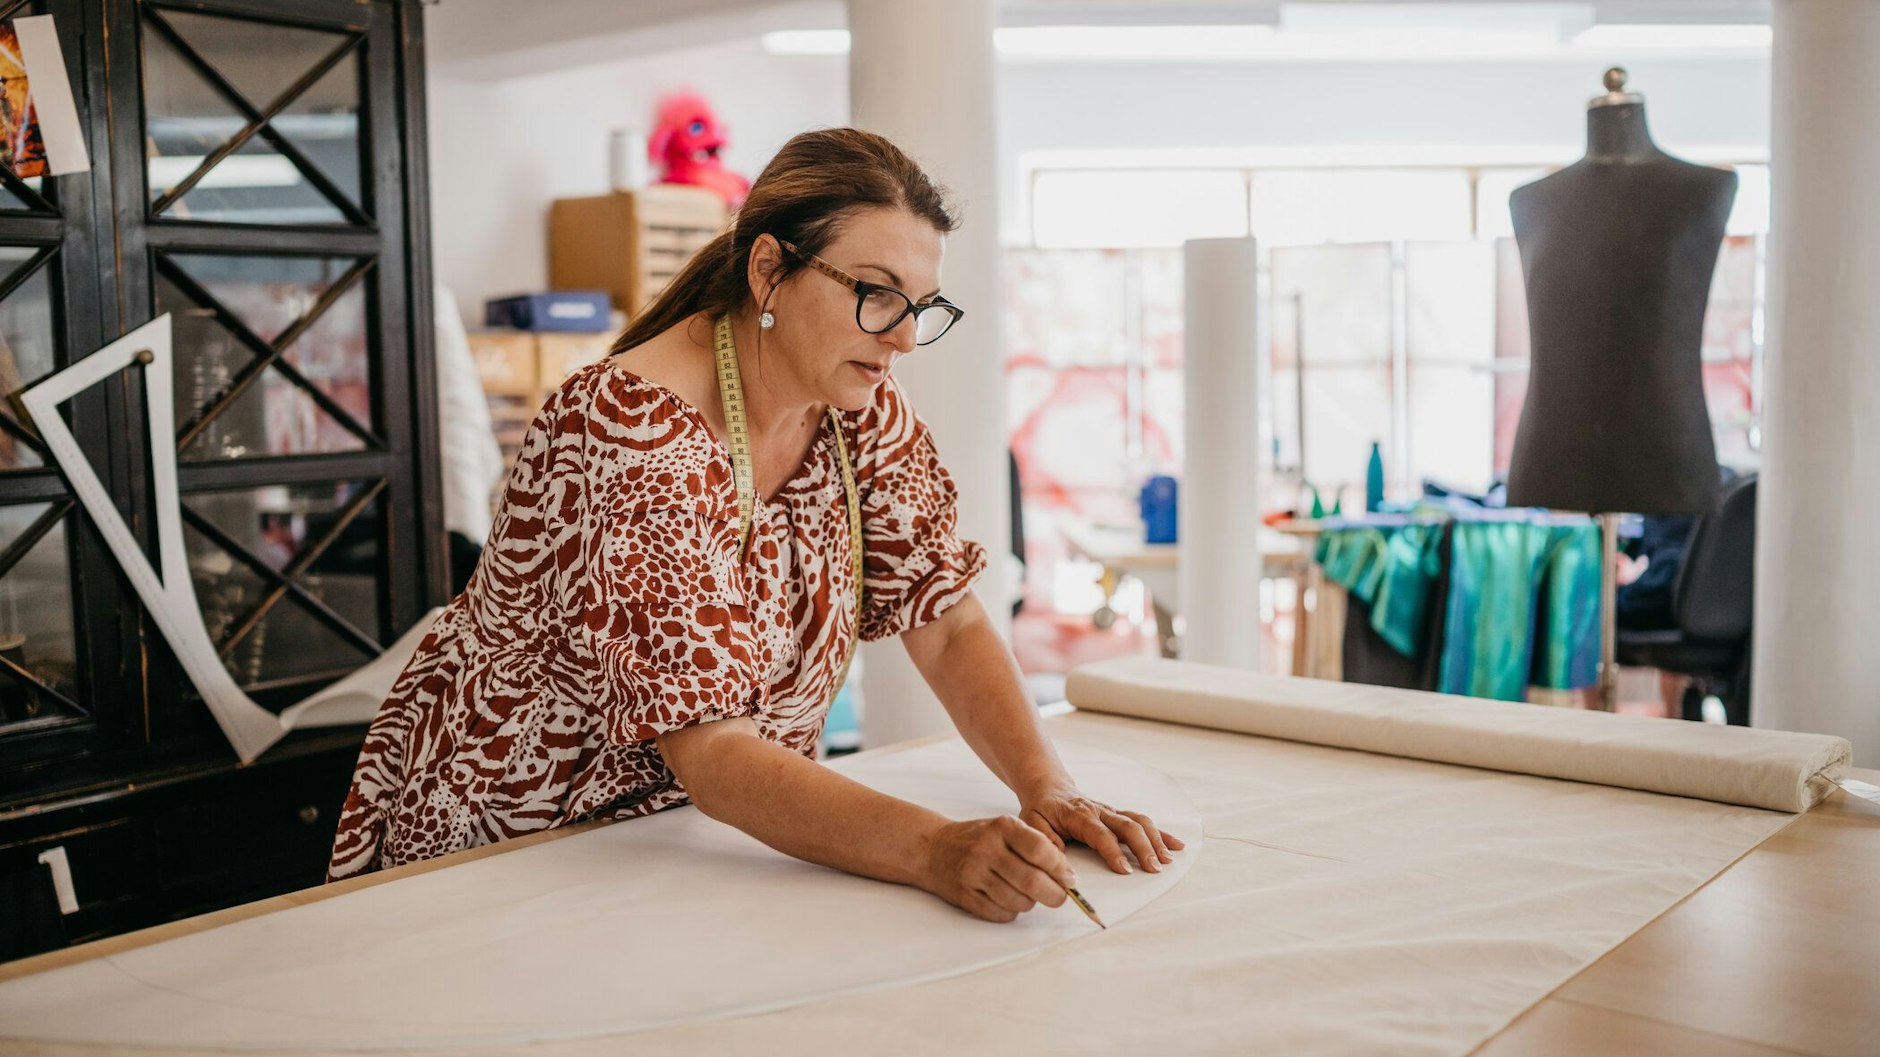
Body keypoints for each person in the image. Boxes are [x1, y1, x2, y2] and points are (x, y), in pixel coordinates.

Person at [326, 128, 1182, 924]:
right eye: (879, 296)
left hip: (686, 838)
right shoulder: (629, 428)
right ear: (769, 269)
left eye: (922, 306)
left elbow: (947, 616)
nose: (906, 339)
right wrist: (934, 847)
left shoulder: (857, 406)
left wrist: (1048, 785)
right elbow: (717, 754)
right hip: (517, 836)